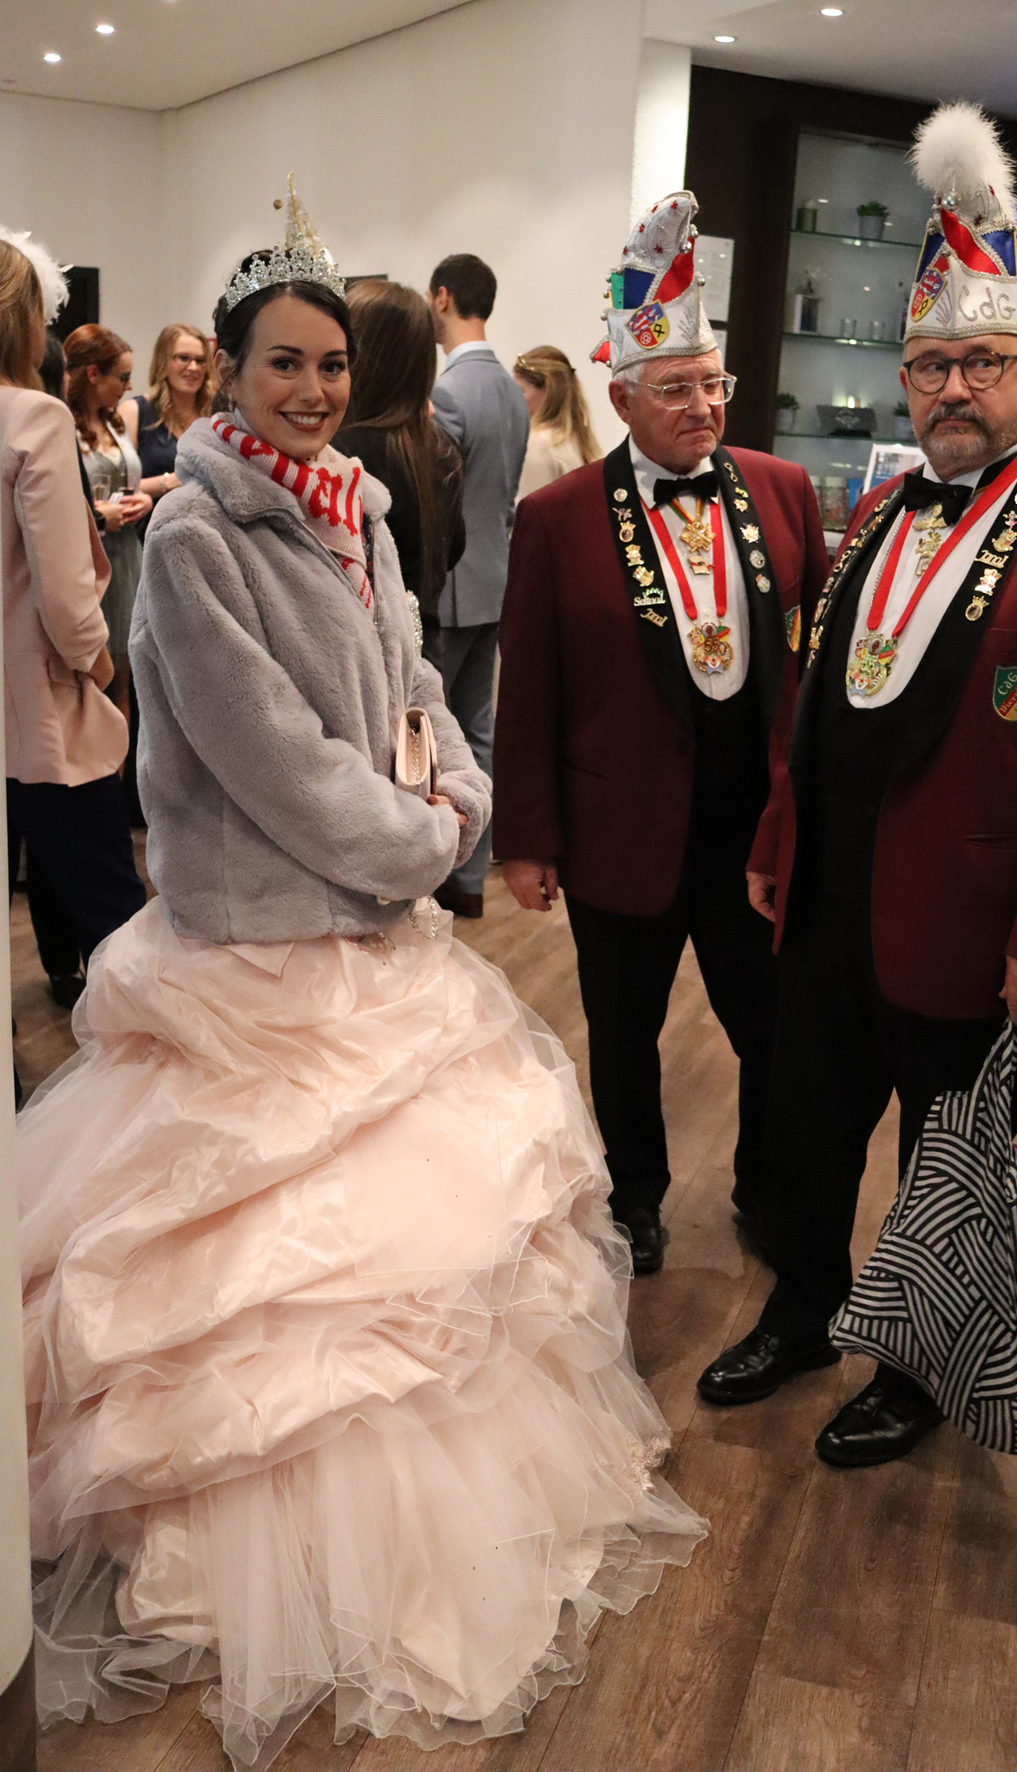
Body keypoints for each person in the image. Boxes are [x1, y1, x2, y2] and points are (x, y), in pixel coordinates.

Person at [20, 188, 703, 1769]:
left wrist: (457, 793)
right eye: (283, 362)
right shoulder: (196, 538)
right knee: (260, 1277)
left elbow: (417, 686)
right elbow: (273, 760)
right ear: (227, 372)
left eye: (331, 364)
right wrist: (419, 840)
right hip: (259, 940)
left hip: (373, 929)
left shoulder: (360, 510)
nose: (314, 389)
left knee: (425, 1259)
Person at [696, 104, 1017, 1467]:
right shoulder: (874, 510)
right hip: (826, 899)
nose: (951, 388)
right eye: (929, 365)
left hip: (970, 924)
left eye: (979, 363)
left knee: (940, 1166)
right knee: (803, 1129)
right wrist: (778, 838)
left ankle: (914, 1369)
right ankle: (800, 1311)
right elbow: (814, 705)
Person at [494, 192, 828, 1275]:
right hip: (619, 826)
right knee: (624, 1031)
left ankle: (764, 1189)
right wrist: (525, 838)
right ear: (621, 396)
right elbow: (528, 686)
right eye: (675, 389)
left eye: (711, 384)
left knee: (767, 1027)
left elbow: (813, 668)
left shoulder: (782, 492)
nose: (701, 406)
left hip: (752, 830)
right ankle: (633, 1196)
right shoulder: (555, 519)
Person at [0, 230, 145, 1035]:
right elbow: (62, 590)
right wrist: (98, 665)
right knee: (114, 909)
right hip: (41, 701)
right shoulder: (34, 415)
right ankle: (146, 1068)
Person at [427, 250, 529, 917]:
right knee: (477, 728)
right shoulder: (513, 391)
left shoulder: (448, 391)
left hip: (450, 585)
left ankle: (430, 868)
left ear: (442, 298)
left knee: (425, 731)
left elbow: (439, 497)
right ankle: (468, 879)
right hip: (496, 579)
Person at [335, 279, 465, 648]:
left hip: (366, 655)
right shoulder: (441, 447)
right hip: (425, 648)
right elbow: (452, 548)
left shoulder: (342, 454)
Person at [65, 324, 152, 725]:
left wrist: (143, 499)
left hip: (128, 556)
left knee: (126, 678)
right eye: (123, 376)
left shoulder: (116, 421)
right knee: (91, 679)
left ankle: (125, 764)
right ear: (92, 374)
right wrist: (99, 514)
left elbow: (131, 479)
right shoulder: (62, 425)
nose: (128, 386)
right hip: (87, 561)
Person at [119, 321, 214, 507]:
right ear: (163, 361)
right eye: (183, 358)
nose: (193, 367)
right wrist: (169, 482)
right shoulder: (134, 412)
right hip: (151, 521)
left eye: (200, 361)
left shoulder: (215, 416)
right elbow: (118, 487)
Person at [513, 345, 601, 500]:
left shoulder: (538, 444)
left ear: (547, 390)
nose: (513, 399)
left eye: (521, 390)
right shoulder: (580, 442)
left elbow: (530, 511)